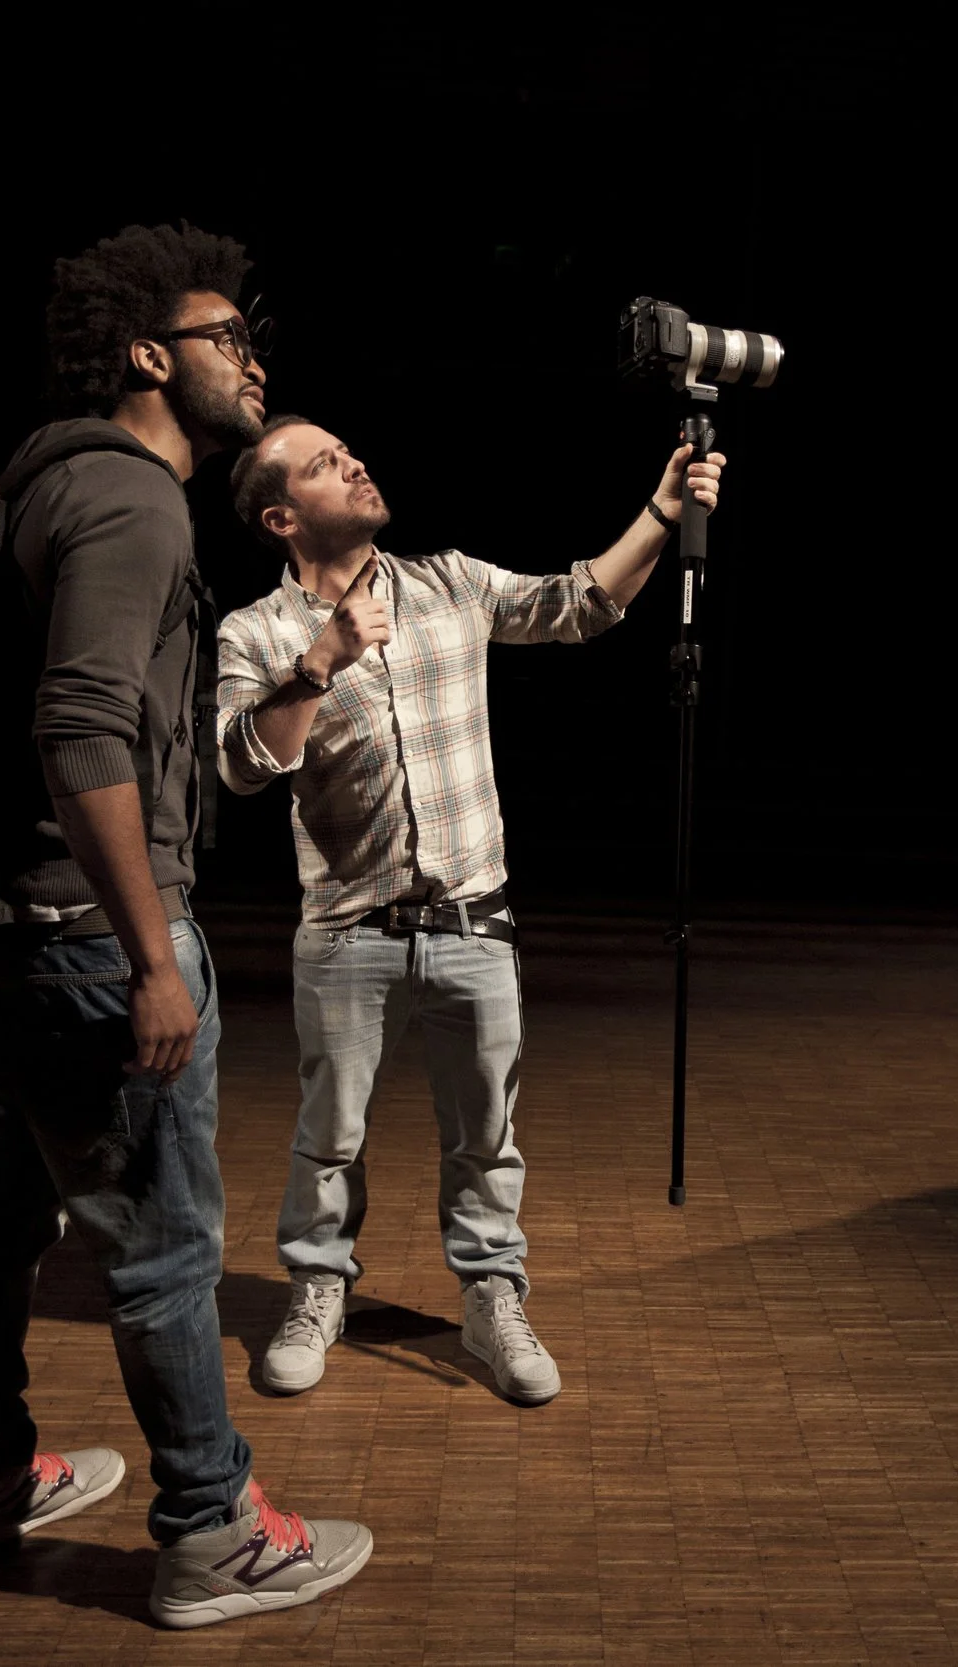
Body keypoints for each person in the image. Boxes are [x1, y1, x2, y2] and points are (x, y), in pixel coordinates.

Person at [0, 223, 371, 1629]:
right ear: (146, 351)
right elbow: (81, 732)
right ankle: (210, 1528)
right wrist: (149, 952)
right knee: (166, 1243)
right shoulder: (132, 502)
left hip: (12, 927)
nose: (252, 360)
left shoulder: (36, 479)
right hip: (89, 936)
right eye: (226, 335)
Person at [215, 413, 724, 1405]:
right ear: (281, 515)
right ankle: (319, 1288)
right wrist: (320, 660)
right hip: (345, 933)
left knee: (487, 1136)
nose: (354, 462)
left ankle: (492, 1296)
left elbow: (578, 604)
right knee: (330, 1135)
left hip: (471, 925)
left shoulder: (445, 580)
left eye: (349, 450)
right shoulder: (257, 631)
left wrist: (661, 513)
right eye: (324, 464)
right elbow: (240, 762)